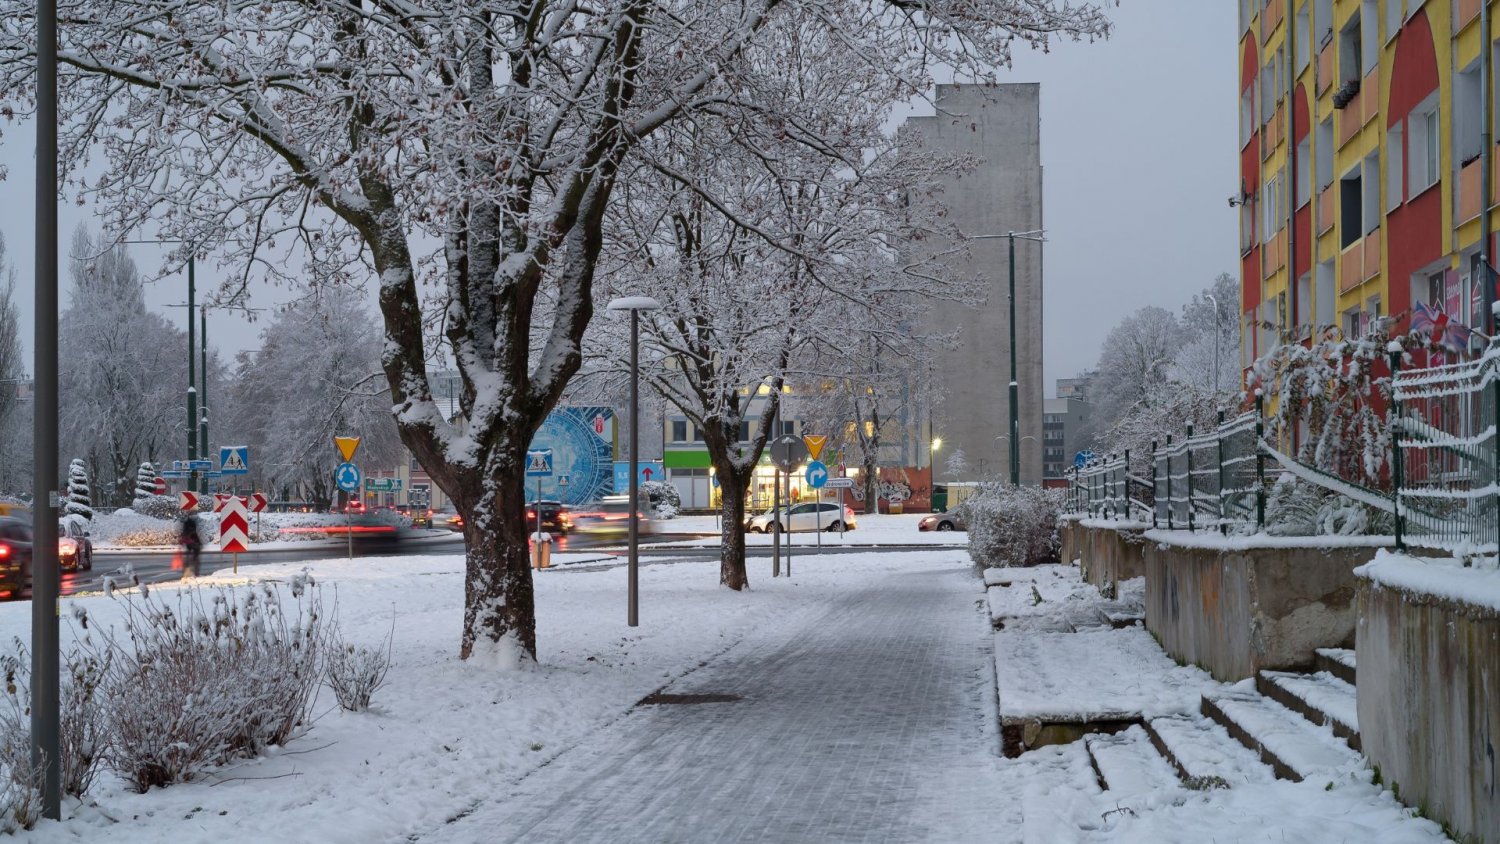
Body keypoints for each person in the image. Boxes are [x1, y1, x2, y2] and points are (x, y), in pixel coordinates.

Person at [179, 513, 202, 578]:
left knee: (189, 557)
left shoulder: (187, 524)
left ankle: (187, 572)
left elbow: (184, 533)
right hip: (194, 543)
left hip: (191, 543)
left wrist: (182, 541)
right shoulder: (194, 523)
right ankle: (195, 572)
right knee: (195, 558)